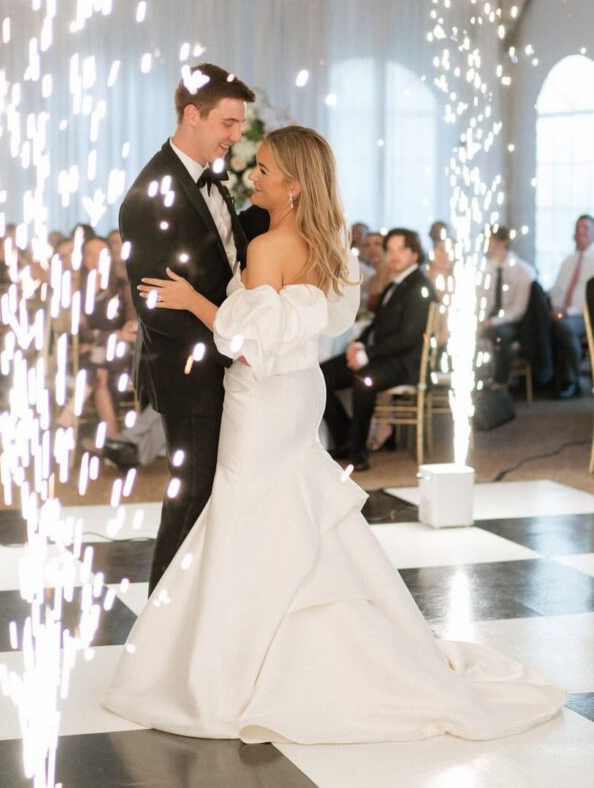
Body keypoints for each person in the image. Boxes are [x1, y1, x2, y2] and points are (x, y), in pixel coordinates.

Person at [103, 125, 564, 744]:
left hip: (263, 397)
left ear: (291, 187)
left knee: (246, 509)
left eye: (263, 170)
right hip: (298, 393)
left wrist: (191, 300)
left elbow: (247, 342)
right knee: (287, 507)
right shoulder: (329, 246)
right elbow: (308, 327)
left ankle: (227, 670)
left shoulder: (268, 248)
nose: (253, 178)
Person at [120, 63, 255, 593]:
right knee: (190, 495)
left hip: (222, 362)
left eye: (240, 124)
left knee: (211, 494)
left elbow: (227, 256)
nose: (236, 135)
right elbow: (157, 306)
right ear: (192, 115)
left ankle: (198, 614)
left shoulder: (211, 181)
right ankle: (159, 624)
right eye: (228, 122)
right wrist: (229, 346)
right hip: (189, 372)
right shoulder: (150, 192)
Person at [321, 228, 433, 469]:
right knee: (320, 376)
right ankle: (344, 439)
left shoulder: (419, 286)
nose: (393, 255)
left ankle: (358, 450)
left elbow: (408, 338)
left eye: (400, 249)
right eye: (389, 250)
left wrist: (366, 354)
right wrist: (360, 343)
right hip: (381, 356)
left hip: (403, 363)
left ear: (414, 253)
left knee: (364, 380)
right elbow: (376, 322)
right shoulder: (396, 282)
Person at [478, 226, 534, 385]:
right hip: (486, 320)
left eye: (487, 241)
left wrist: (492, 322)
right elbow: (482, 300)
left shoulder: (522, 270)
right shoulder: (485, 269)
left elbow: (518, 310)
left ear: (500, 243)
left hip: (511, 323)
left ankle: (499, 382)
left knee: (499, 335)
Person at [549, 213, 594, 397]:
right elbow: (556, 290)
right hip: (563, 313)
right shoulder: (568, 262)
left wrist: (566, 312)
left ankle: (572, 382)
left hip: (586, 315)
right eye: (578, 228)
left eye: (585, 228)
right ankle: (546, 379)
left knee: (564, 327)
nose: (581, 232)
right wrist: (555, 308)